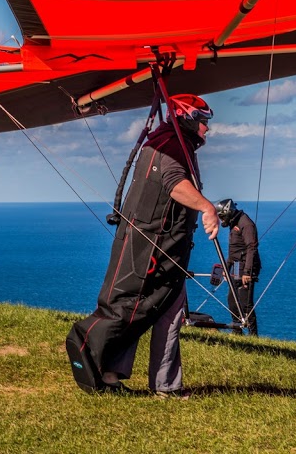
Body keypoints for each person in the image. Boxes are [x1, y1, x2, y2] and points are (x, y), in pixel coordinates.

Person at [67, 94, 220, 397]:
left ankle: (114, 373)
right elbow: (174, 182)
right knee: (146, 310)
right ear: (188, 119)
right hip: (155, 250)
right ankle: (158, 385)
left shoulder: (163, 140)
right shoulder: (173, 145)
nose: (206, 129)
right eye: (203, 122)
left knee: (146, 309)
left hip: (149, 246)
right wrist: (206, 207)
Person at [216, 198, 262, 336]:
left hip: (246, 267)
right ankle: (237, 332)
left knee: (245, 303)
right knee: (232, 300)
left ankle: (254, 336)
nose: (222, 219)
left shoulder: (245, 224)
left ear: (229, 212)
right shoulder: (234, 223)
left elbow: (251, 248)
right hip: (236, 265)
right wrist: (226, 267)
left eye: (222, 216)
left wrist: (247, 272)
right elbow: (234, 251)